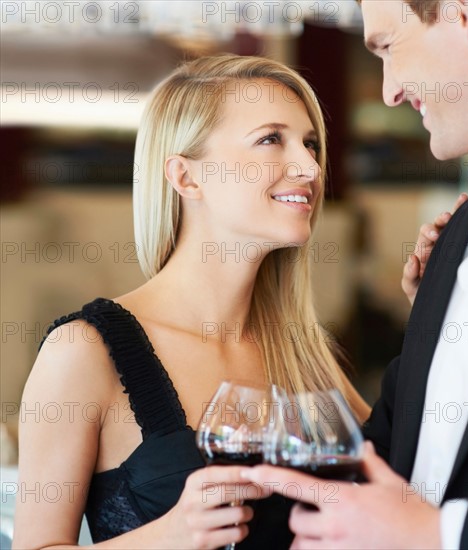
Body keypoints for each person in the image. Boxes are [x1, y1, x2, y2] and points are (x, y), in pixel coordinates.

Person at [13, 54, 372, 549]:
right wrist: (168, 538)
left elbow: (412, 479)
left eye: (310, 144)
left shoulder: (305, 355)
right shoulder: (83, 351)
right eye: (272, 139)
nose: (309, 166)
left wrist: (436, 303)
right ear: (186, 178)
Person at [243, 1, 468, 549]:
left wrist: (439, 535)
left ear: (461, 14)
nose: (388, 92)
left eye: (387, 47)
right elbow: (403, 452)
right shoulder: (456, 240)